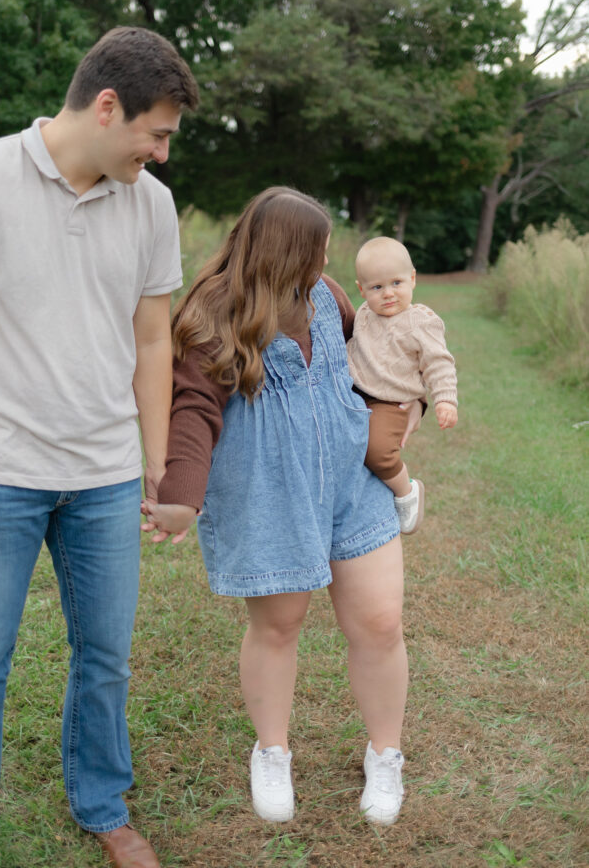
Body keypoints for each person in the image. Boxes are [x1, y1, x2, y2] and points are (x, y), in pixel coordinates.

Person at [0, 26, 199, 868]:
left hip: (104, 478)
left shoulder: (148, 203)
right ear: (107, 106)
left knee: (105, 659)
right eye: (157, 132)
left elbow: (152, 342)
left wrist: (157, 466)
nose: (162, 152)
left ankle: (103, 804)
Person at [142, 188, 420, 828]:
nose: (327, 260)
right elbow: (191, 412)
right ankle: (271, 751)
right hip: (268, 491)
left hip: (352, 484)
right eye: (318, 248)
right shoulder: (215, 316)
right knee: (279, 624)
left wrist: (408, 406)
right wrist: (181, 498)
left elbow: (378, 356)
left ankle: (386, 753)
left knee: (379, 623)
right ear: (286, 253)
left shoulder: (328, 298)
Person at [347, 237, 458, 535]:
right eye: (376, 287)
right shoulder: (363, 315)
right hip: (356, 391)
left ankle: (405, 491)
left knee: (378, 449)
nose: (388, 294)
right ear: (361, 290)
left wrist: (444, 399)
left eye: (396, 282)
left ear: (412, 279)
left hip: (392, 401)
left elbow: (438, 362)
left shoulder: (420, 321)